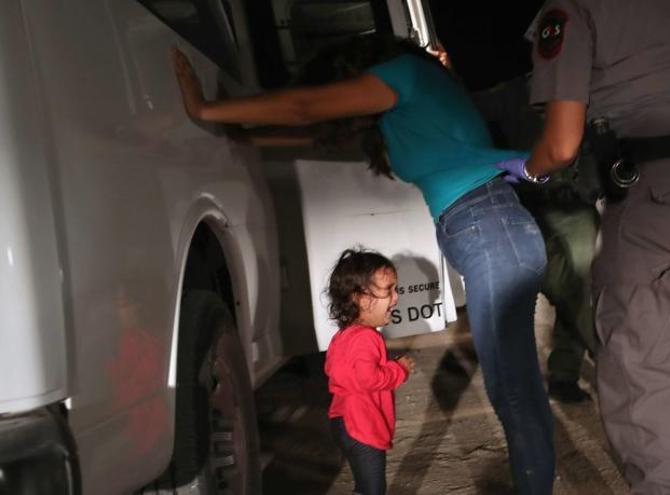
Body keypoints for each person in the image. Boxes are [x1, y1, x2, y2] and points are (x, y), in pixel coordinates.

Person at [173, 34, 556, 494]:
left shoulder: (408, 75)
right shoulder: (401, 115)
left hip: (490, 226)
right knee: (515, 389)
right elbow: (315, 130)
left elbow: (305, 108)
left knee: (514, 392)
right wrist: (241, 132)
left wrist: (204, 109)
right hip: (484, 229)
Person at [519, 0, 670, 493]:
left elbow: (561, 144)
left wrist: (528, 169)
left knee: (635, 366)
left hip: (653, 191)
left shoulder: (569, 9)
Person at [470, 74, 600, 404]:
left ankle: (564, 375)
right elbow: (465, 110)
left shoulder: (585, 88)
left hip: (576, 205)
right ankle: (611, 362)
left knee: (579, 291)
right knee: (548, 291)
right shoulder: (511, 92)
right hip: (528, 205)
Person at [324, 248, 415, 495]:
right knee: (373, 490)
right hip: (362, 424)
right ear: (363, 299)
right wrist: (398, 370)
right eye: (389, 290)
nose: (396, 298)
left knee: (364, 486)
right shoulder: (367, 338)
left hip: (342, 422)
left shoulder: (342, 337)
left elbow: (336, 371)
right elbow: (368, 379)